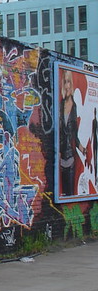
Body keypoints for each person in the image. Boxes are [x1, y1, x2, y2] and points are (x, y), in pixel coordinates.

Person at [59, 69, 84, 197]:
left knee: (69, 194)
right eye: (65, 82)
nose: (67, 86)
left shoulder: (74, 106)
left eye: (69, 82)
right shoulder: (60, 105)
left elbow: (74, 133)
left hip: (70, 157)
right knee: (61, 193)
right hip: (60, 156)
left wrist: (81, 148)